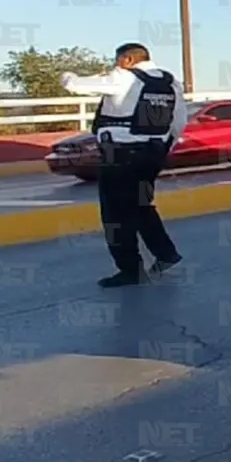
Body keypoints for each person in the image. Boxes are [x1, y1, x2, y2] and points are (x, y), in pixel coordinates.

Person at [61, 42, 187, 287]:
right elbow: (178, 122)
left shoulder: (123, 77)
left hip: (119, 156)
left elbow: (73, 85)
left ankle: (131, 270)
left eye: (116, 60)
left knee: (115, 214)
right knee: (141, 205)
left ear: (127, 60)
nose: (114, 64)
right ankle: (165, 253)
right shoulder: (171, 83)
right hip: (152, 155)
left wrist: (68, 75)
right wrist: (162, 148)